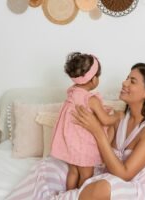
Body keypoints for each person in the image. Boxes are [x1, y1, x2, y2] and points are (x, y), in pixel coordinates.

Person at [6, 63, 145, 200]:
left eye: (132, 81)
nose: (124, 83)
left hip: (137, 186)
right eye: (126, 78)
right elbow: (101, 156)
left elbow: (125, 174)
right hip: (110, 174)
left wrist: (97, 131)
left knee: (103, 187)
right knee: (51, 166)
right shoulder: (120, 118)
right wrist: (84, 131)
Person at [51, 52, 120, 190]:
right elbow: (105, 120)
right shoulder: (91, 99)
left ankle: (69, 195)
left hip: (69, 143)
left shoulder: (71, 93)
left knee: (73, 172)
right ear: (94, 79)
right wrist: (118, 116)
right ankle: (80, 196)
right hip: (82, 146)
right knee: (86, 174)